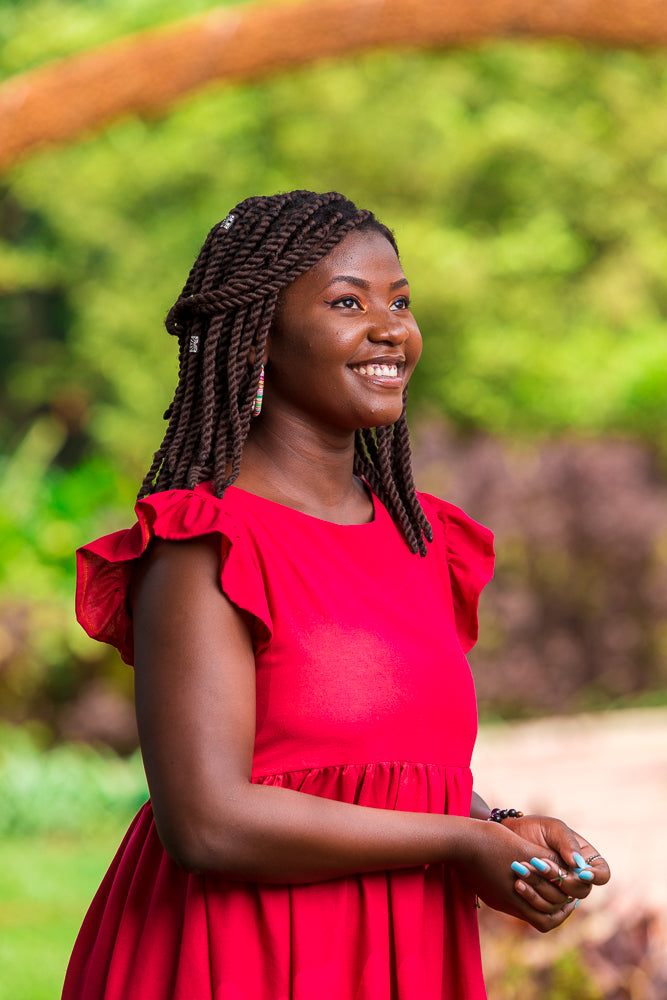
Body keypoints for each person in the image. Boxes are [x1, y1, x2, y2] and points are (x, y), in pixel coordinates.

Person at [62, 190, 609, 1000]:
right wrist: (458, 844)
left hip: (402, 952)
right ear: (260, 338)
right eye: (347, 302)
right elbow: (206, 822)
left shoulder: (421, 537)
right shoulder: (204, 543)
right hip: (238, 959)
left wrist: (498, 828)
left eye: (400, 302)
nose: (391, 328)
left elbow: (382, 766)